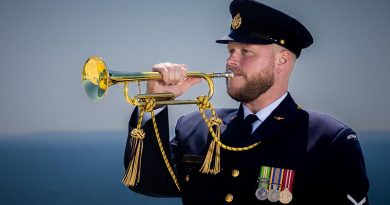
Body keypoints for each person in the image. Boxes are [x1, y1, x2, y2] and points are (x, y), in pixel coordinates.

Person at [123, 0, 370, 204]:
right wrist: (154, 103)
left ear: (282, 61)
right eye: (230, 51)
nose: (231, 61)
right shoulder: (197, 127)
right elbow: (145, 181)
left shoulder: (328, 139)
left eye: (245, 52)